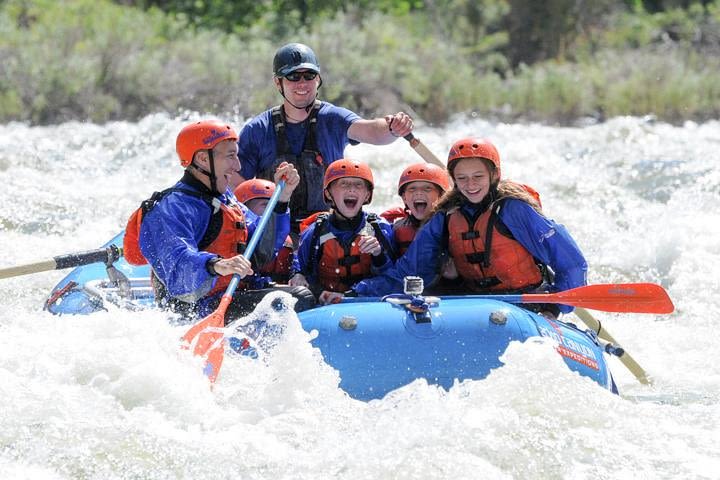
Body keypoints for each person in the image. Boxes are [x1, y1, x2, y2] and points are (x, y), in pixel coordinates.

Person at [352, 137, 588, 318]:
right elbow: (410, 271)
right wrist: (357, 292)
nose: (470, 185)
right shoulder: (445, 217)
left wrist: (554, 307)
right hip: (477, 305)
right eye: (462, 178)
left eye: (478, 176)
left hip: (527, 303)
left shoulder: (514, 209)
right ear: (453, 179)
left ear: (494, 175)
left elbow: (571, 262)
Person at [129, 120, 315, 322]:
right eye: (230, 156)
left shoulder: (224, 198)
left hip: (230, 296)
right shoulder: (171, 208)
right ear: (202, 158)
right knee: (297, 300)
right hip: (194, 310)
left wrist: (282, 199)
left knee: (303, 294)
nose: (238, 166)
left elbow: (262, 251)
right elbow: (178, 269)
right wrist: (217, 265)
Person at [236, 42, 414, 233]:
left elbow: (373, 131)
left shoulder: (332, 118)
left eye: (309, 75)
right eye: (293, 77)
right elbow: (236, 189)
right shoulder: (257, 130)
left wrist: (393, 128)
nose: (302, 83)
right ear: (278, 82)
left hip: (324, 230)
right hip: (275, 231)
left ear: (318, 78)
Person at [288, 159, 397, 305]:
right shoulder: (316, 232)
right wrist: (298, 275)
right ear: (328, 194)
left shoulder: (380, 229)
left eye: (358, 184)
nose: (351, 189)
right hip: (326, 305)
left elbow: (394, 278)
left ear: (367, 195)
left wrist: (379, 256)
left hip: (365, 303)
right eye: (343, 184)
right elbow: (300, 266)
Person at [380, 162, 451, 255]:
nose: (419, 193)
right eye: (412, 189)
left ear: (441, 196)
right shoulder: (396, 229)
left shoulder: (451, 224)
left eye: (427, 188)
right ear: (404, 198)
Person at [234, 178, 294, 284]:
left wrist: (297, 276)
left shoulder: (284, 240)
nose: (271, 211)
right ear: (244, 208)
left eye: (274, 206)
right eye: (265, 205)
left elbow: (295, 269)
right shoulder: (233, 237)